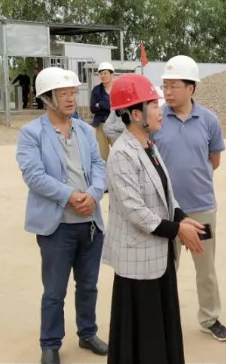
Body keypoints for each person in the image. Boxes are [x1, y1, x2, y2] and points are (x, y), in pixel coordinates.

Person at [103, 73, 206, 364]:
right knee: (143, 335)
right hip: (137, 262)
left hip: (158, 257)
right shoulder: (122, 154)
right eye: (153, 105)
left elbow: (165, 194)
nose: (160, 110)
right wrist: (177, 230)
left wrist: (182, 217)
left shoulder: (148, 144)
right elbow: (137, 212)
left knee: (163, 328)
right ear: (136, 115)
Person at [16, 67, 108, 364]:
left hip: (90, 224)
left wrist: (93, 195)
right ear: (47, 98)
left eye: (73, 93)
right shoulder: (31, 134)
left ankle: (87, 333)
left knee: (89, 286)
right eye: (63, 94)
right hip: (57, 228)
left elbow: (99, 165)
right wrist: (70, 195)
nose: (71, 99)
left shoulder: (84, 130)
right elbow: (34, 176)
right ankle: (50, 343)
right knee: (54, 290)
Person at [152, 55, 226, 341]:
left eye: (174, 86)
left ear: (191, 88)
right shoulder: (156, 118)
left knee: (205, 269)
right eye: (165, 86)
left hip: (201, 208)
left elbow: (214, 160)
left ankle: (210, 318)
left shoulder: (209, 120)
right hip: (165, 210)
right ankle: (162, 318)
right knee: (164, 268)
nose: (168, 91)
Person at [89, 62, 115, 161]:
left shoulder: (117, 88)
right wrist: (108, 105)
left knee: (118, 151)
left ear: (112, 74)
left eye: (105, 73)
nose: (103, 76)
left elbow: (119, 106)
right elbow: (92, 108)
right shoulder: (96, 90)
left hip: (116, 124)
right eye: (101, 74)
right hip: (101, 124)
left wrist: (100, 104)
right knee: (103, 154)